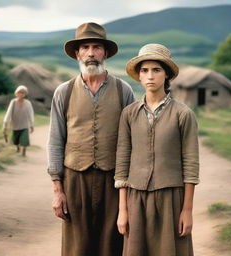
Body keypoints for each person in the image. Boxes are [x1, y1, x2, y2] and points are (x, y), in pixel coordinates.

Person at [47, 22, 135, 256]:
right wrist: (58, 190)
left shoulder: (122, 90)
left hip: (113, 181)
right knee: (77, 247)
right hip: (75, 179)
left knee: (112, 245)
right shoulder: (63, 92)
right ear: (77, 53)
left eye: (97, 47)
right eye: (85, 47)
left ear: (105, 53)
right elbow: (55, 141)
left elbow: (132, 142)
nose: (91, 53)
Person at [115, 43, 200, 256]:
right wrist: (123, 210)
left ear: (167, 74)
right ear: (139, 76)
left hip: (171, 198)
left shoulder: (183, 114)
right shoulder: (129, 114)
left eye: (156, 70)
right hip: (136, 198)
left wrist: (187, 210)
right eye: (144, 70)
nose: (150, 75)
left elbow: (190, 165)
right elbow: (122, 162)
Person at [3, 85, 34, 157]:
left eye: (23, 93)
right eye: (19, 92)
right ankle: (18, 148)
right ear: (16, 93)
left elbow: (31, 114)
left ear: (25, 94)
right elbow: (9, 113)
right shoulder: (13, 102)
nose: (21, 94)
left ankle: (24, 152)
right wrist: (5, 124)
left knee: (24, 140)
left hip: (24, 125)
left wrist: (32, 125)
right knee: (16, 140)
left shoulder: (28, 103)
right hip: (15, 125)